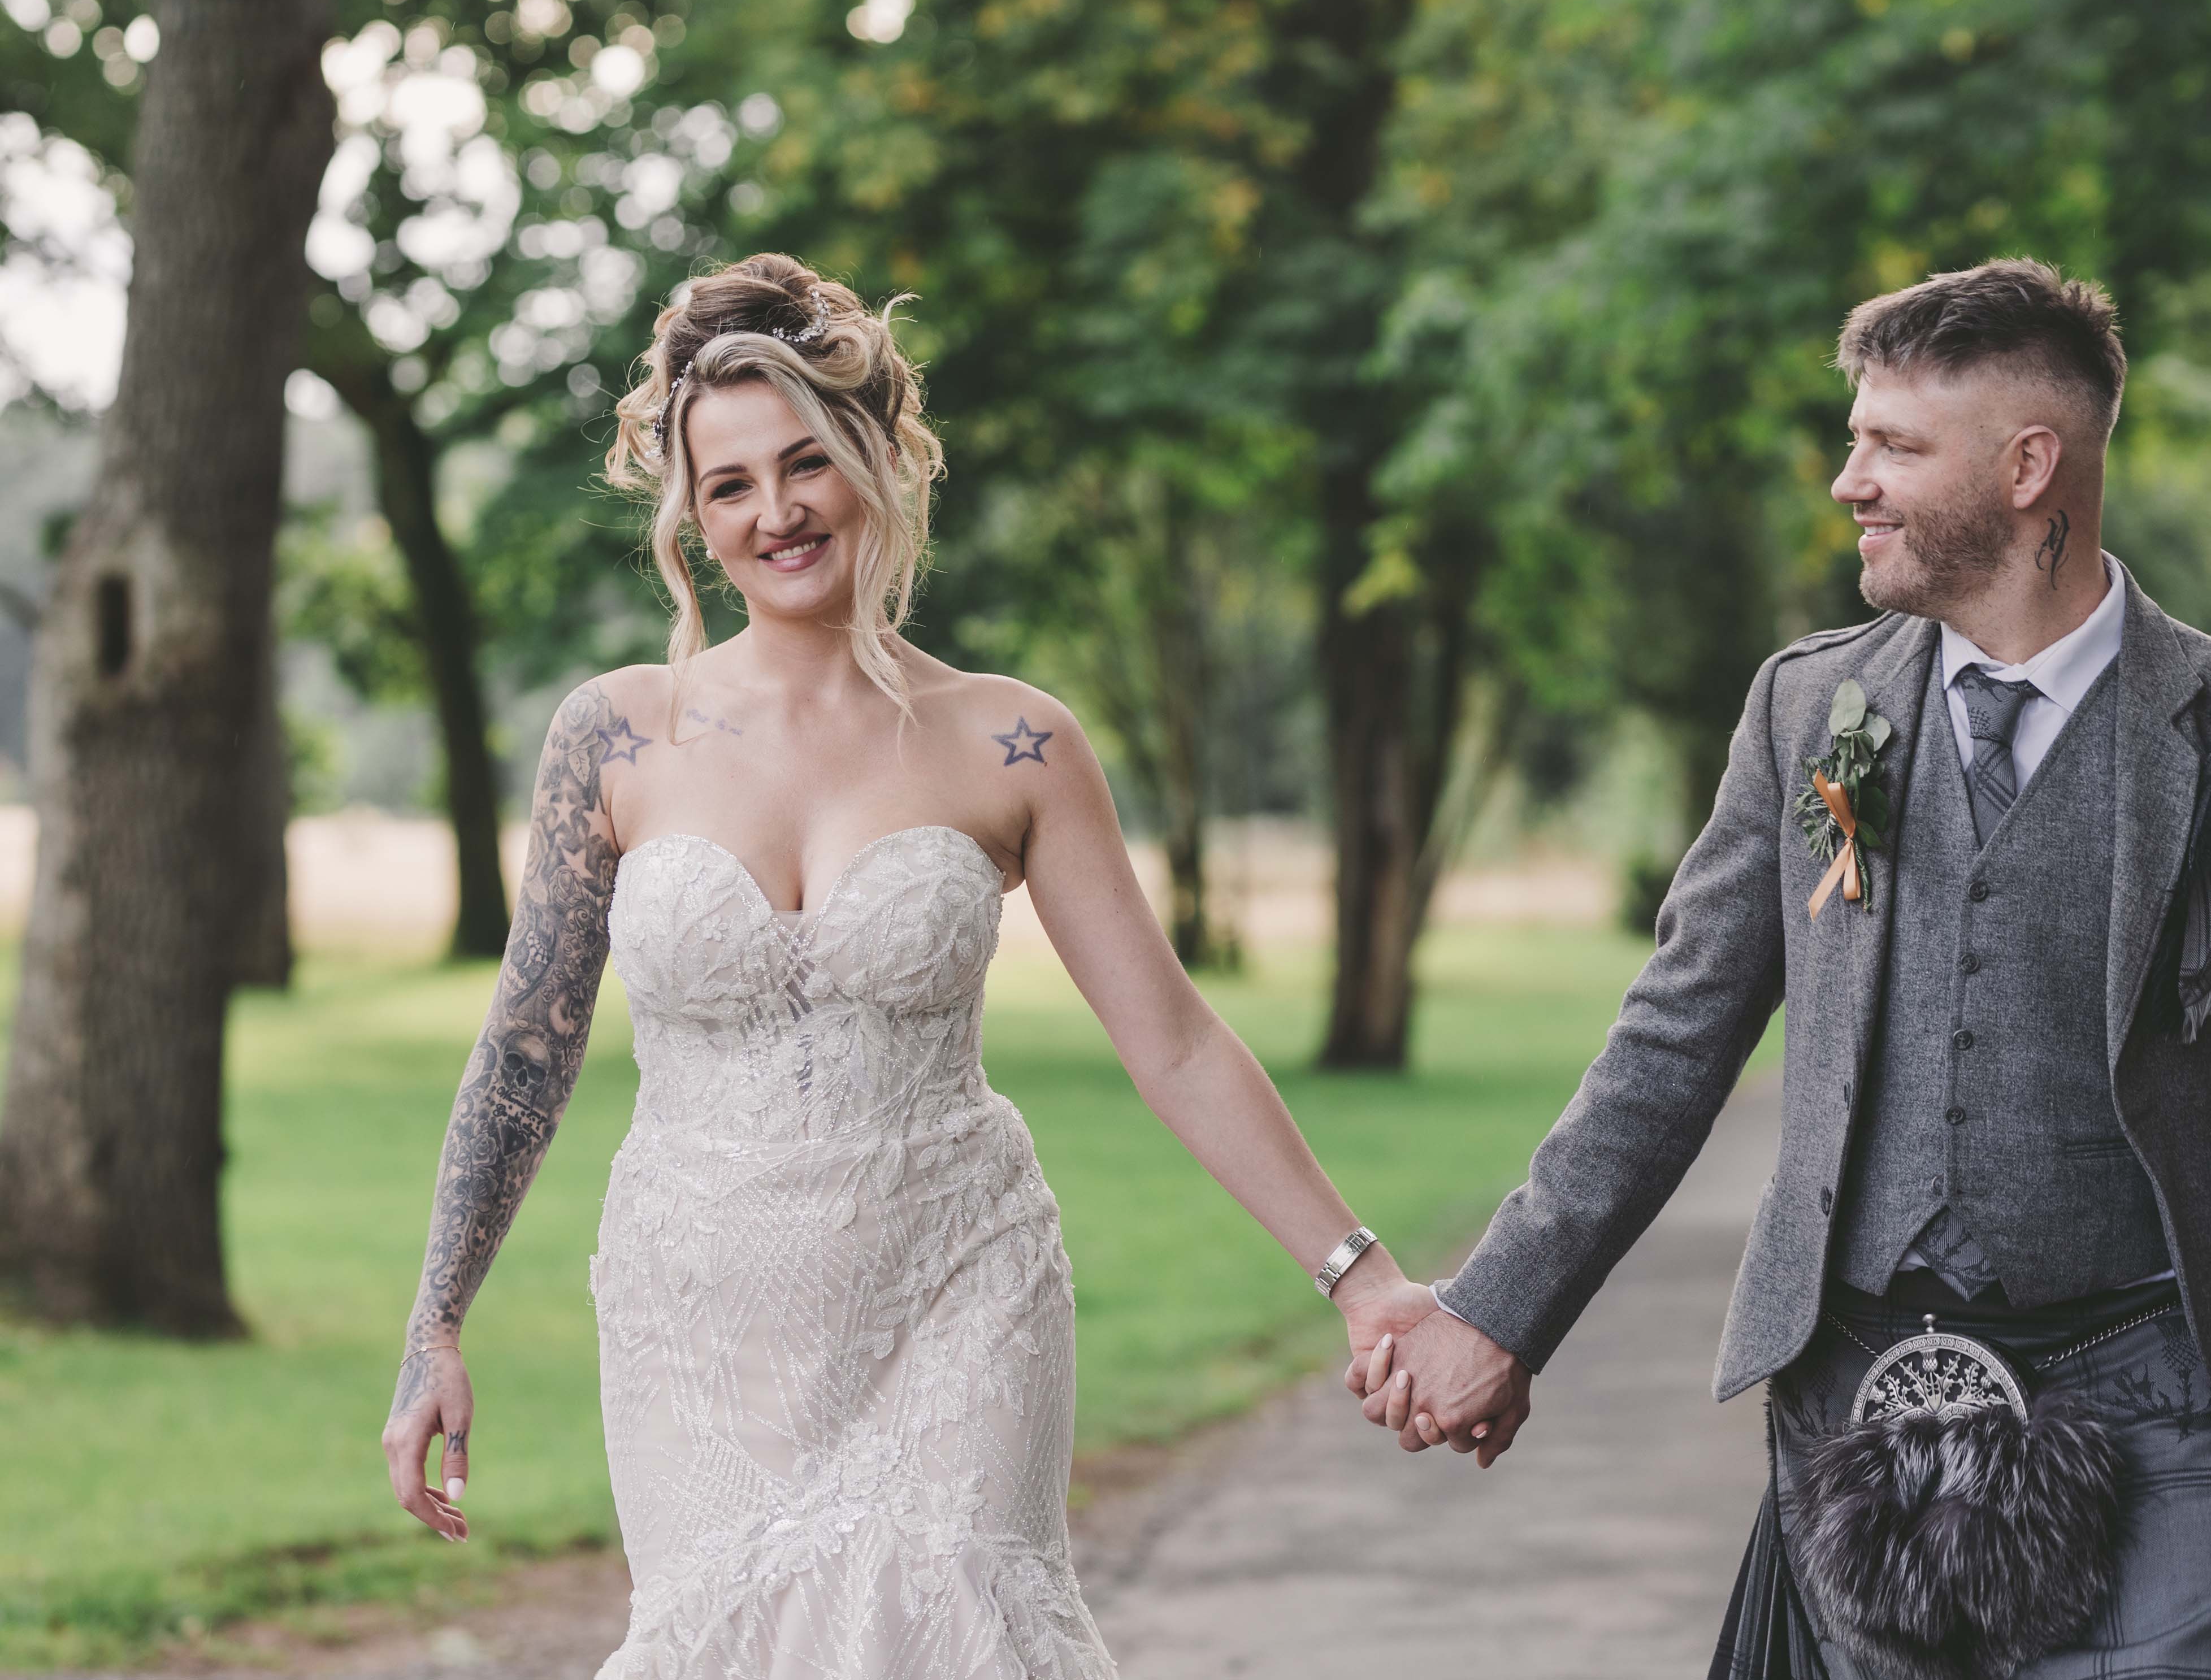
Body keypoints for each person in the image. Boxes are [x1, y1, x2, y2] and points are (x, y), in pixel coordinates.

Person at [1356, 259, 2211, 1680]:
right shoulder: (1813, 707)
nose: (1849, 480)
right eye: (1856, 437)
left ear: (2032, 466)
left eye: (1894, 445)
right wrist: (1497, 1309)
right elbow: (1671, 1040)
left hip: (2168, 1427)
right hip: (1857, 1423)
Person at [379, 254, 1437, 1678]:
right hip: (700, 1314)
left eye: (806, 463)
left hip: (957, 1281)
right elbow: (527, 1042)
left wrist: (1362, 1279)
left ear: (878, 460)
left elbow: (1171, 1038)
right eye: (733, 484)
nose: (777, 512)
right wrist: (435, 1319)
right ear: (690, 510)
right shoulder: (616, 737)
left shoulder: (1013, 740)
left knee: (953, 1614)